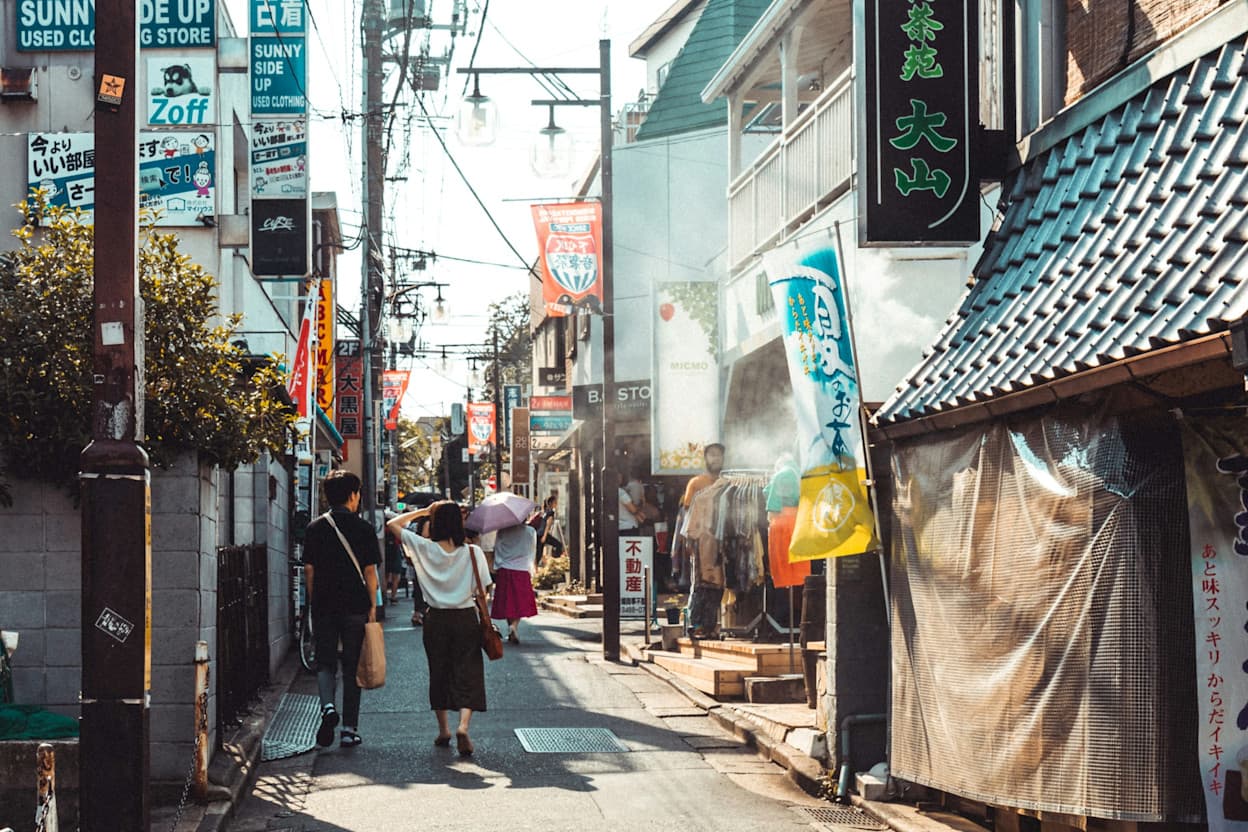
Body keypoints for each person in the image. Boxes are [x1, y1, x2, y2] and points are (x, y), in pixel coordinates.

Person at [387, 501, 493, 757]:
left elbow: (392, 523)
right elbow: (484, 590)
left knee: (439, 671)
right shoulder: (472, 552)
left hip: (435, 619)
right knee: (469, 671)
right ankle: (464, 727)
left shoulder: (424, 548)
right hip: (466, 617)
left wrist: (423, 512)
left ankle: (444, 729)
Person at [303, 470, 380, 748]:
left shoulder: (315, 528)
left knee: (324, 661)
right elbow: (370, 572)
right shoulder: (364, 529)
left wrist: (314, 601)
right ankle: (349, 729)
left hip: (324, 604)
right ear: (352, 495)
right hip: (356, 606)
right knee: (352, 666)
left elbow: (309, 570)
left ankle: (327, 708)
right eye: (358, 493)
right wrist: (372, 606)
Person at [682, 443, 725, 638]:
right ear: (705, 459)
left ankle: (710, 625)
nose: (715, 459)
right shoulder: (696, 483)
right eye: (712, 456)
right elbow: (687, 513)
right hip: (702, 541)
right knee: (701, 584)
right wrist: (690, 542)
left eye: (719, 456)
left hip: (721, 541)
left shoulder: (727, 482)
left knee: (718, 585)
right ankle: (696, 624)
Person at [490, 522, 539, 644]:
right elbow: (532, 549)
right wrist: (532, 566)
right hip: (522, 569)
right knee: (520, 601)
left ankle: (511, 627)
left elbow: (497, 548)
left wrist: (497, 564)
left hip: (505, 569)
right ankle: (514, 626)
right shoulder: (530, 531)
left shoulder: (502, 530)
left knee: (507, 601)